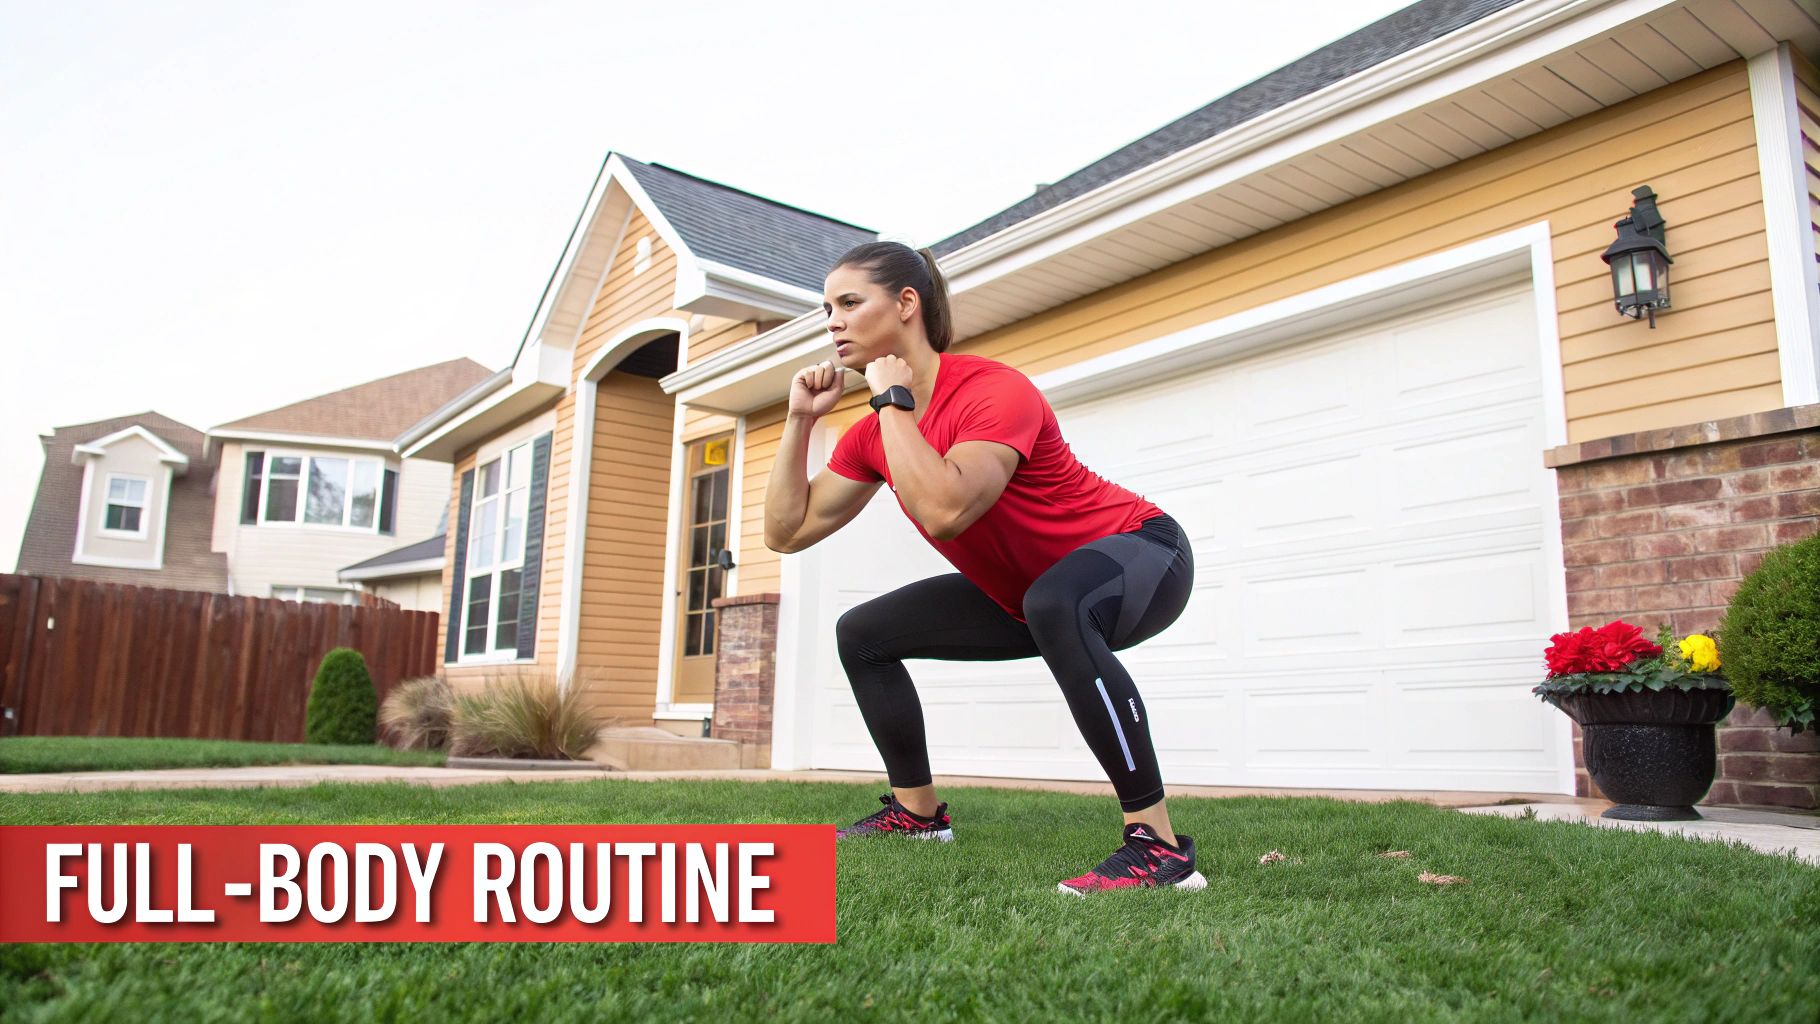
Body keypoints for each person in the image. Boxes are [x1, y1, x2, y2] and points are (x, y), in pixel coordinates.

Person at [763, 241, 1201, 896]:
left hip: (1142, 555)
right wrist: (799, 421)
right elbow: (786, 532)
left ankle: (1158, 847)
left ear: (907, 304)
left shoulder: (993, 391)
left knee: (1059, 602)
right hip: (1028, 595)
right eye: (826, 307)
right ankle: (916, 816)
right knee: (864, 634)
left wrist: (891, 405)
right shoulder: (873, 431)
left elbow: (945, 511)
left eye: (850, 302)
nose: (832, 321)